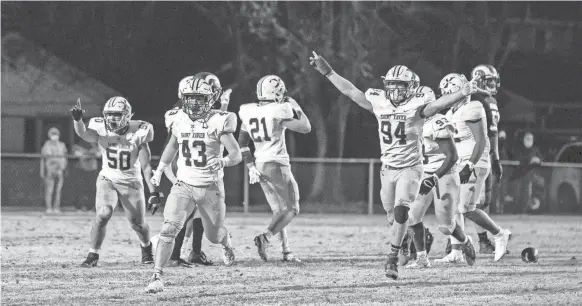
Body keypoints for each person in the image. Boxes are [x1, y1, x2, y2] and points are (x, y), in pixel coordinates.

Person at [309, 51, 484, 279]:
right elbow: (351, 91)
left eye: (400, 86)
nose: (395, 90)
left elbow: (438, 104)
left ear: (410, 87)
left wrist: (463, 91)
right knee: (392, 216)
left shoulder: (417, 106)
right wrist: (328, 72)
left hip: (411, 168)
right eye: (391, 85)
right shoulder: (380, 102)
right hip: (388, 169)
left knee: (404, 211)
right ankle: (404, 245)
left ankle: (391, 258)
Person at [145, 76, 241, 293]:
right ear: (182, 98)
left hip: (210, 188)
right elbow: (172, 146)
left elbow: (235, 154)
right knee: (169, 228)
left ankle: (227, 243)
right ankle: (157, 275)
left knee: (214, 236)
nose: (195, 103)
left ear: (210, 98)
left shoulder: (219, 120)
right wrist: (160, 169)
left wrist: (223, 161)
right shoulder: (177, 118)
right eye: (190, 98)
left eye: (200, 98)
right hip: (184, 185)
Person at [70, 97, 162, 267]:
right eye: (109, 114)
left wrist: (154, 192)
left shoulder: (139, 131)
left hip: (132, 182)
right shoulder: (101, 129)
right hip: (108, 179)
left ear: (127, 115)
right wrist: (78, 120)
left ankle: (146, 247)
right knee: (103, 213)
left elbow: (147, 166)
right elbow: (84, 133)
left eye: (117, 114)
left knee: (138, 224)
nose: (112, 118)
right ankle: (93, 254)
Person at [154, 72, 231, 267]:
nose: (213, 96)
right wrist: (161, 168)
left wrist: (224, 106)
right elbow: (177, 141)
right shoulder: (182, 112)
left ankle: (193, 251)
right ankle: (176, 252)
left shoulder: (206, 111)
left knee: (197, 213)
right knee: (186, 213)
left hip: (196, 166)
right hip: (182, 166)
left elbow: (213, 126)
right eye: (212, 91)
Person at [434, 73, 511, 264]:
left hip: (474, 162)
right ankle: (456, 252)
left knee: (466, 208)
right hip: (460, 163)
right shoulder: (452, 113)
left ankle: (500, 234)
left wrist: (470, 165)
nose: (446, 98)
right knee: (454, 209)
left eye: (448, 93)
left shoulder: (472, 107)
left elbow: (481, 140)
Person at [238, 75, 311, 262]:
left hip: (260, 165)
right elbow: (305, 128)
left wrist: (250, 166)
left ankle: (286, 251)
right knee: (292, 209)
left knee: (279, 210)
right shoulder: (279, 110)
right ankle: (266, 237)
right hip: (277, 164)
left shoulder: (248, 111)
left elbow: (242, 144)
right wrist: (297, 108)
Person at [405, 84, 477, 269]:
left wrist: (435, 177)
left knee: (445, 225)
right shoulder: (412, 122)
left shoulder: (437, 123)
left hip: (444, 174)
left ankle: (465, 241)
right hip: (424, 173)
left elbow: (453, 156)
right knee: (412, 217)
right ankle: (421, 258)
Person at [470, 64, 503, 254]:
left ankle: (479, 241)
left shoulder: (486, 99)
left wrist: (496, 158)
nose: (493, 84)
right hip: (476, 156)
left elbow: (493, 131)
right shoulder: (483, 100)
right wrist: (495, 158)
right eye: (489, 81)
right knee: (472, 202)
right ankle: (458, 242)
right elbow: (491, 133)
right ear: (479, 80)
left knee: (479, 202)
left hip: (479, 156)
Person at [40, 127, 68, 214]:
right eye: (52, 134)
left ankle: (56, 208)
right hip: (50, 170)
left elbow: (65, 158)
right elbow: (47, 157)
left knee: (58, 190)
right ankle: (49, 208)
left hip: (60, 170)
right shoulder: (47, 145)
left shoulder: (62, 145)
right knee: (49, 189)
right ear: (49, 135)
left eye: (56, 134)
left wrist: (63, 167)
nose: (54, 136)